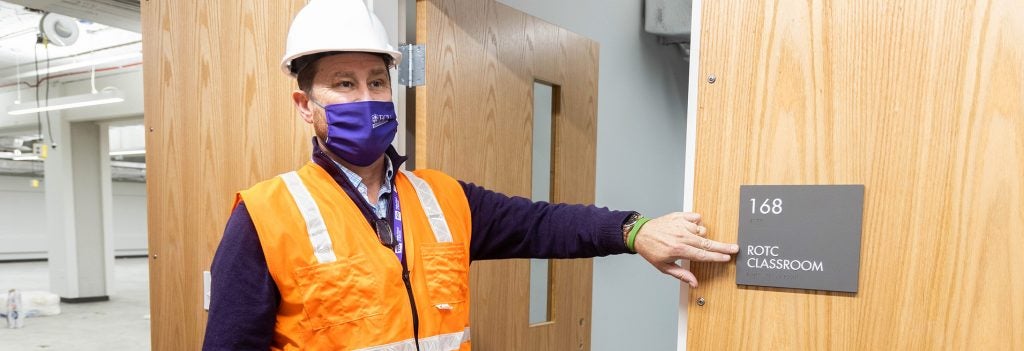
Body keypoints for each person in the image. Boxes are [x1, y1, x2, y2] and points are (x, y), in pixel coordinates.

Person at [202, 0, 739, 350]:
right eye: (343, 84)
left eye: (376, 81)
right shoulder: (264, 215)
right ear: (304, 104)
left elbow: (541, 224)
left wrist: (634, 230)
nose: (365, 99)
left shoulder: (443, 198)